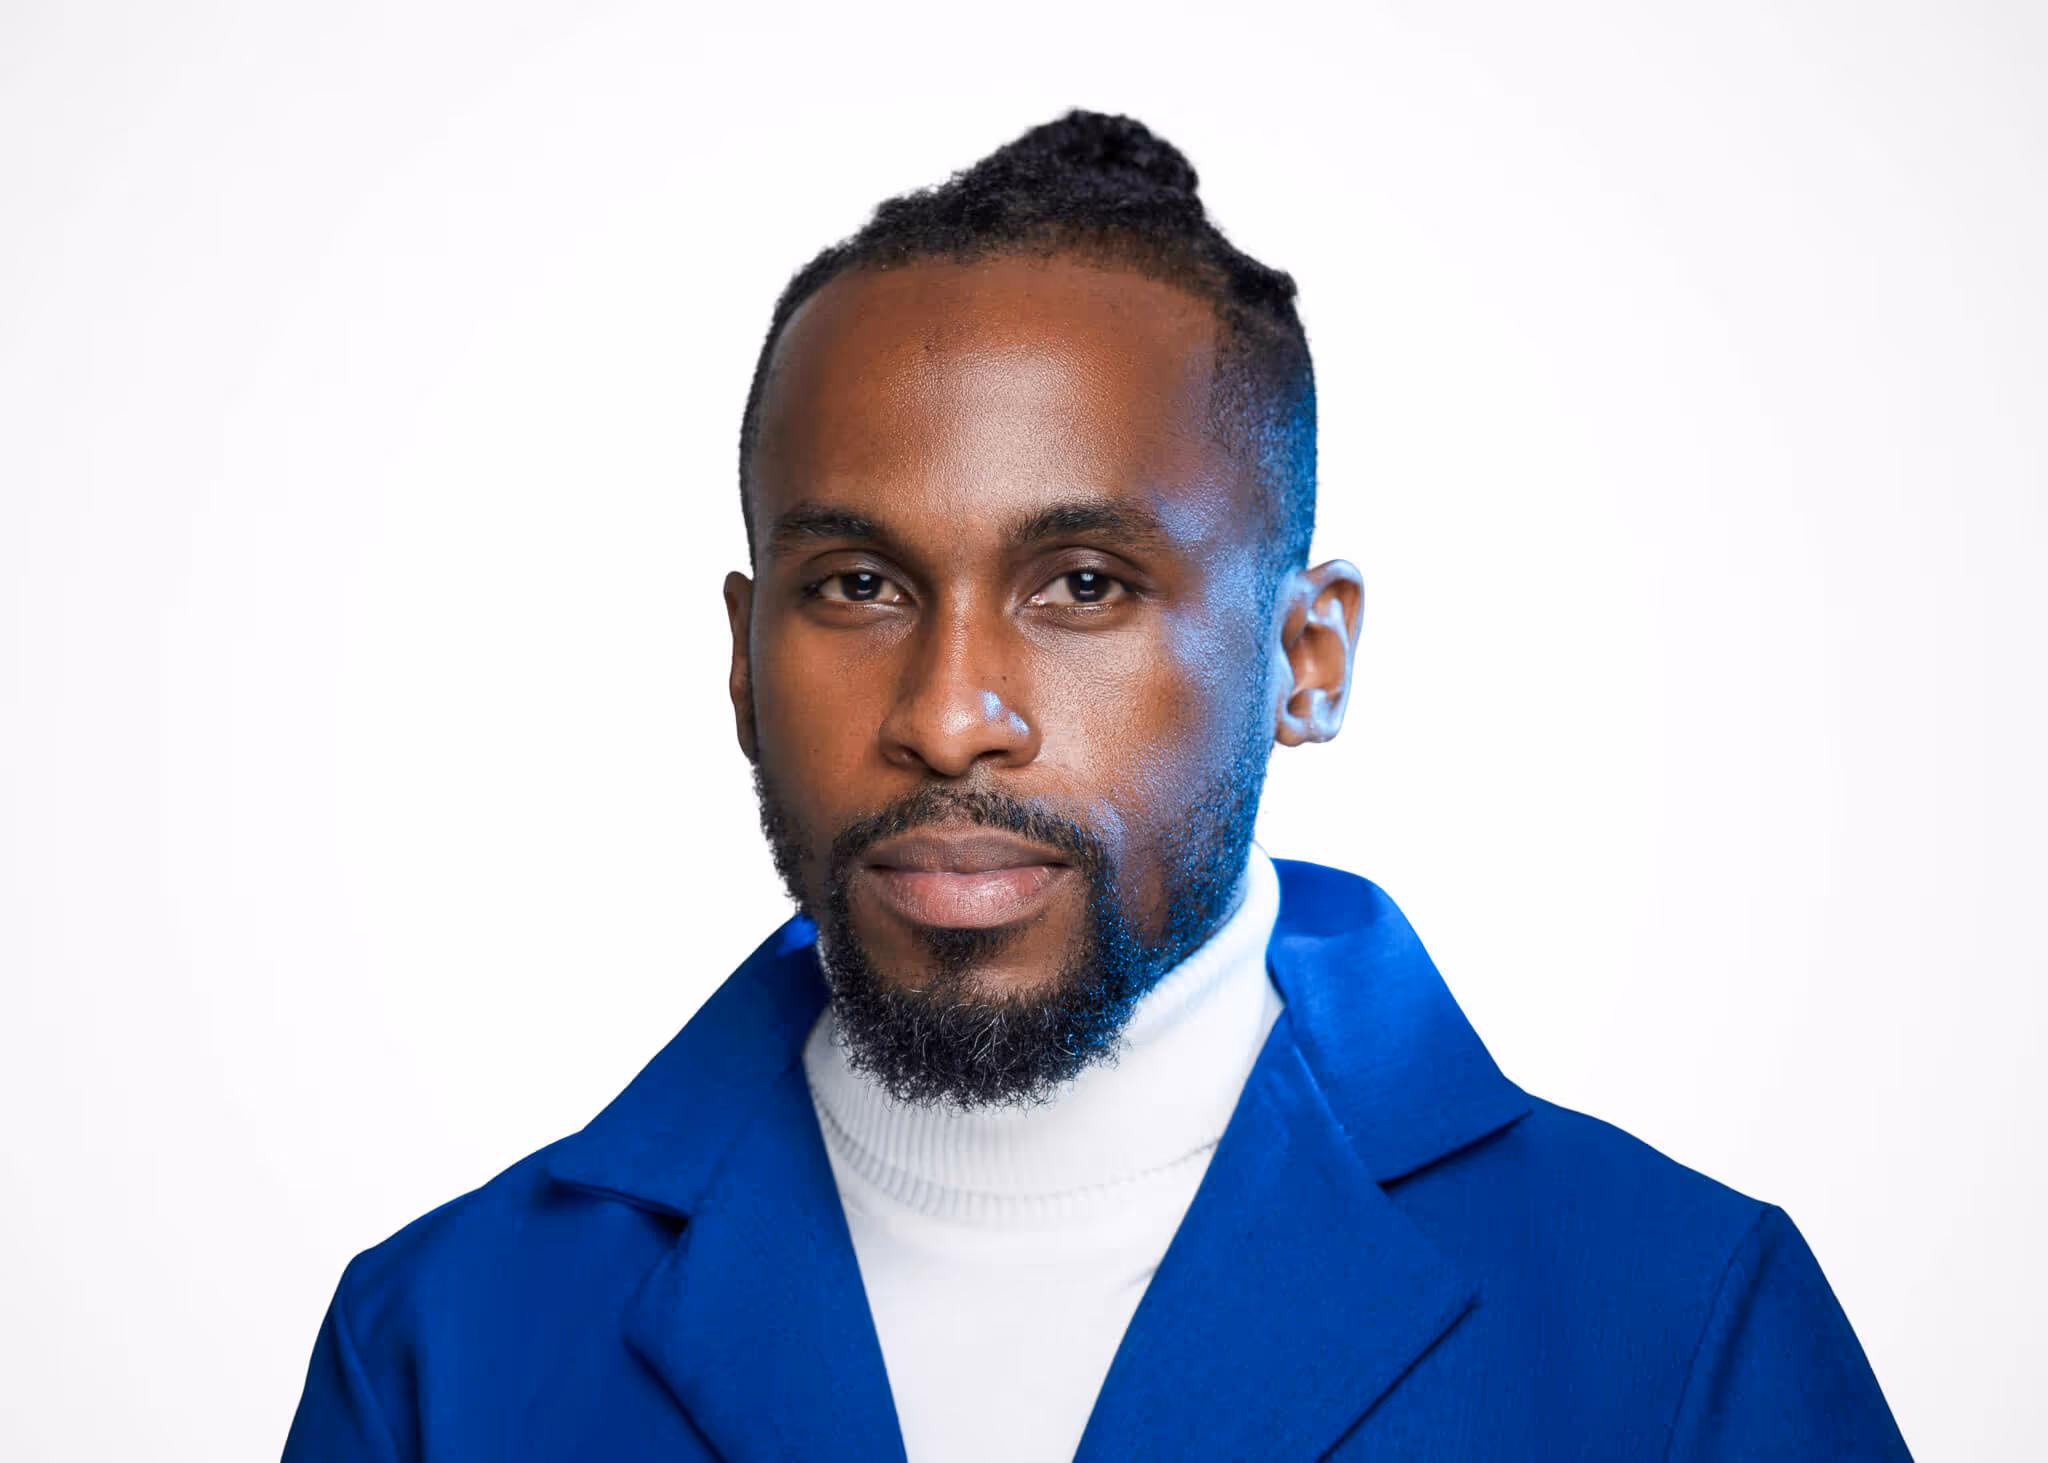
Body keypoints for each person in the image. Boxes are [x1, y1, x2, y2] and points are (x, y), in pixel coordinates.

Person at [283, 111, 1912, 1461]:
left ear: (1309, 658)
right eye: (856, 585)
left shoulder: (1680, 1327)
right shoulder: (443, 1342)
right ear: (742, 655)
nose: (950, 715)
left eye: (1079, 585)